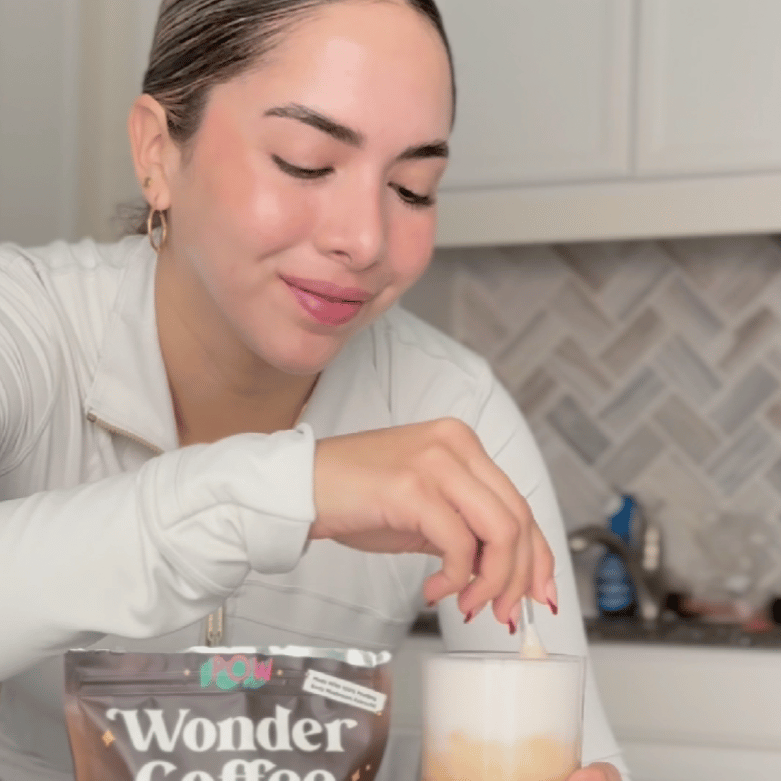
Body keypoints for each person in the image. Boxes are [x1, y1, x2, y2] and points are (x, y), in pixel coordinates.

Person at [0, 1, 627, 778]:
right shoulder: (22, 327)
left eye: (413, 187)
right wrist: (284, 492)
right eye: (305, 161)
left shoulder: (447, 406)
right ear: (157, 150)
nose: (363, 240)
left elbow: (560, 737)